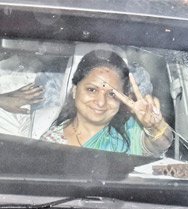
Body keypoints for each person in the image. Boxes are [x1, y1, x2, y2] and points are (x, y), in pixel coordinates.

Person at [40, 50, 172, 156]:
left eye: (112, 94)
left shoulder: (130, 132)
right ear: (74, 91)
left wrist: (155, 126)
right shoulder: (51, 143)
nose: (101, 102)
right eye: (92, 90)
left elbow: (161, 144)